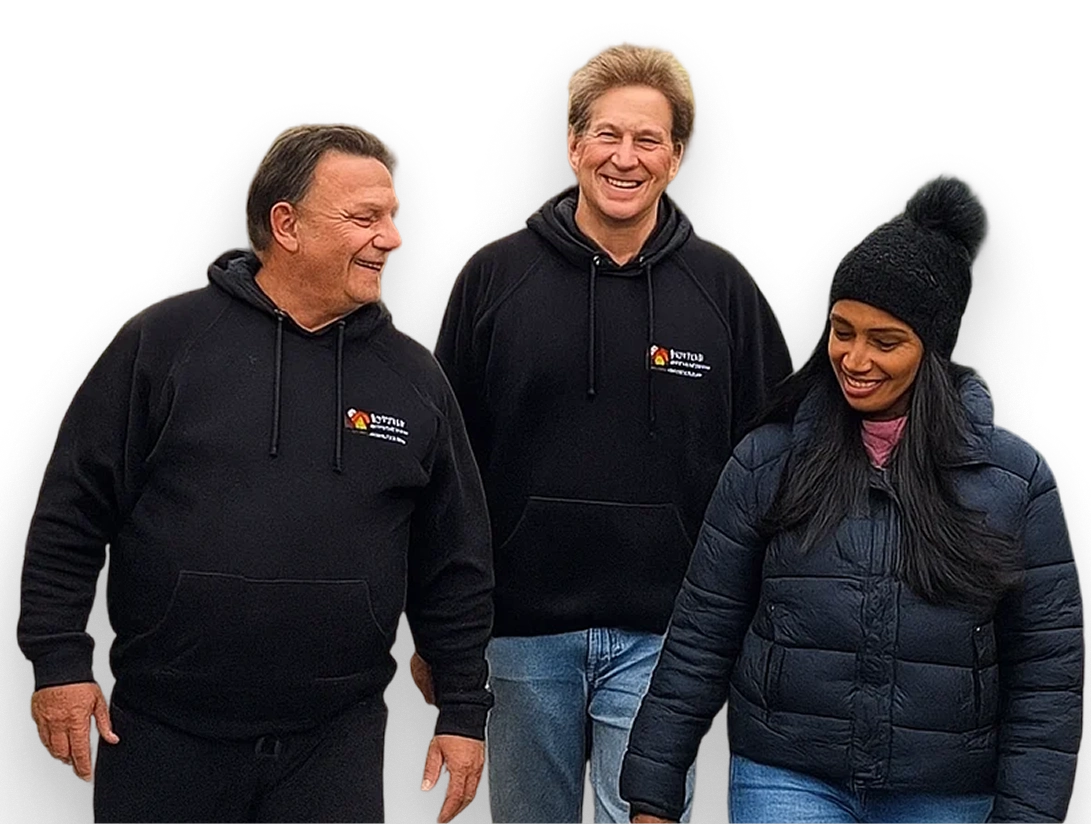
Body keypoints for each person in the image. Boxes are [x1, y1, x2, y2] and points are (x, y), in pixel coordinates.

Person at [20, 121, 494, 824]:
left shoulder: (414, 378)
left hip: (335, 743)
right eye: (365, 217)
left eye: (393, 217)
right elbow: (72, 510)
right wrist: (59, 663)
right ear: (287, 225)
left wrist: (462, 711)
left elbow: (455, 558)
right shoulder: (166, 344)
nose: (392, 239)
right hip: (160, 733)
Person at [619, 171, 1085, 824]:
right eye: (843, 331)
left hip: (944, 793)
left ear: (931, 349)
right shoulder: (768, 461)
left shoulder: (1014, 480)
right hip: (786, 777)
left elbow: (1046, 672)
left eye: (885, 341)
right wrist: (653, 787)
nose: (855, 359)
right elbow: (702, 630)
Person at [428, 39, 790, 824]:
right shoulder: (493, 278)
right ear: (572, 144)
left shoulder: (724, 289)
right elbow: (446, 471)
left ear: (677, 155)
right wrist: (439, 629)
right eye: (607, 134)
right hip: (518, 635)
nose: (625, 158)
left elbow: (764, 471)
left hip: (668, 639)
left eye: (648, 139)